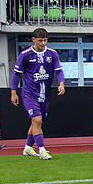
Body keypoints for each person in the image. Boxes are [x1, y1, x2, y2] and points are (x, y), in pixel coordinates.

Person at [11, 28, 66, 160]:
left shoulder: (52, 54)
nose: (43, 43)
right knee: (37, 120)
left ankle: (28, 148)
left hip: (45, 94)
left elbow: (59, 71)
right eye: (40, 40)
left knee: (37, 123)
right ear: (33, 40)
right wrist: (13, 92)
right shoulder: (25, 54)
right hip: (29, 93)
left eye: (45, 40)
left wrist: (61, 83)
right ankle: (42, 150)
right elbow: (16, 74)